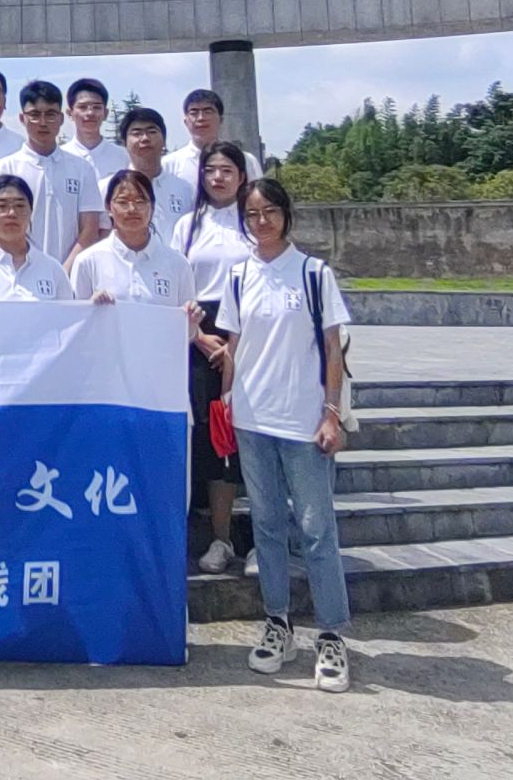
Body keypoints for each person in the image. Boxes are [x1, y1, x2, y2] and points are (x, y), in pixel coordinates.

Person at [219, 177, 354, 694]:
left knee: (317, 530)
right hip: (253, 420)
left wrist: (331, 413)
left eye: (270, 211)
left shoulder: (314, 274)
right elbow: (233, 347)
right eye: (252, 214)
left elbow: (334, 349)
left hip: (303, 422)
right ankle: (278, 622)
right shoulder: (238, 276)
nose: (262, 221)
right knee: (268, 526)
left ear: (286, 214)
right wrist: (225, 402)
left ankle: (332, 634)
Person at [175, 139, 256, 574]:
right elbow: (176, 286)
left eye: (227, 170)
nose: (218, 177)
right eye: (210, 170)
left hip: (253, 338)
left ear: (242, 176)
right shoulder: (187, 225)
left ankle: (263, 541)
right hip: (201, 338)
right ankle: (221, 539)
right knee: (214, 439)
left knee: (254, 437)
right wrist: (203, 339)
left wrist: (238, 346)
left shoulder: (256, 221)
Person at [0, 79, 104, 271]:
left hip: (71, 274)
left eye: (51, 114)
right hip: (20, 273)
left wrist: (64, 272)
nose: (43, 122)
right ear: (22, 118)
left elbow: (89, 229)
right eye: (34, 115)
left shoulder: (81, 168)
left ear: (61, 119)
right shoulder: (6, 168)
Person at [74, 169, 199, 312]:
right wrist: (90, 306)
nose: (132, 209)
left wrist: (192, 319)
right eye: (123, 202)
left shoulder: (178, 264)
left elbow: (186, 324)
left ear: (152, 207)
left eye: (140, 202)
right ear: (108, 207)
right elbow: (76, 320)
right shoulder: (88, 261)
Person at [168, 88, 262, 198]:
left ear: (221, 119)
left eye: (208, 112)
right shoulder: (170, 164)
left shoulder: (247, 161)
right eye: (194, 112)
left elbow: (259, 200)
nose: (201, 118)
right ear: (185, 121)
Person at [119, 105, 198, 232]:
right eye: (137, 133)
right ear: (124, 142)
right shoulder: (110, 188)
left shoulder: (185, 189)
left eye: (152, 132)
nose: (145, 138)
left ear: (164, 140)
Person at [62, 78, 126, 182]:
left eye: (96, 107)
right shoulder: (59, 158)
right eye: (83, 107)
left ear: (105, 113)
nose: (90, 113)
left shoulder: (123, 157)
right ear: (70, 114)